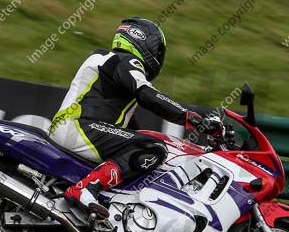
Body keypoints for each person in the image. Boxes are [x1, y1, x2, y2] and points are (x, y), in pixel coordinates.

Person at [48, 17, 221, 217]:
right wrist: (189, 117)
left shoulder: (108, 62)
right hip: (80, 127)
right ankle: (86, 188)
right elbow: (148, 94)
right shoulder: (124, 60)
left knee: (143, 145)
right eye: (157, 49)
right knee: (153, 148)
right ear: (144, 41)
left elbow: (132, 130)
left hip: (75, 127)